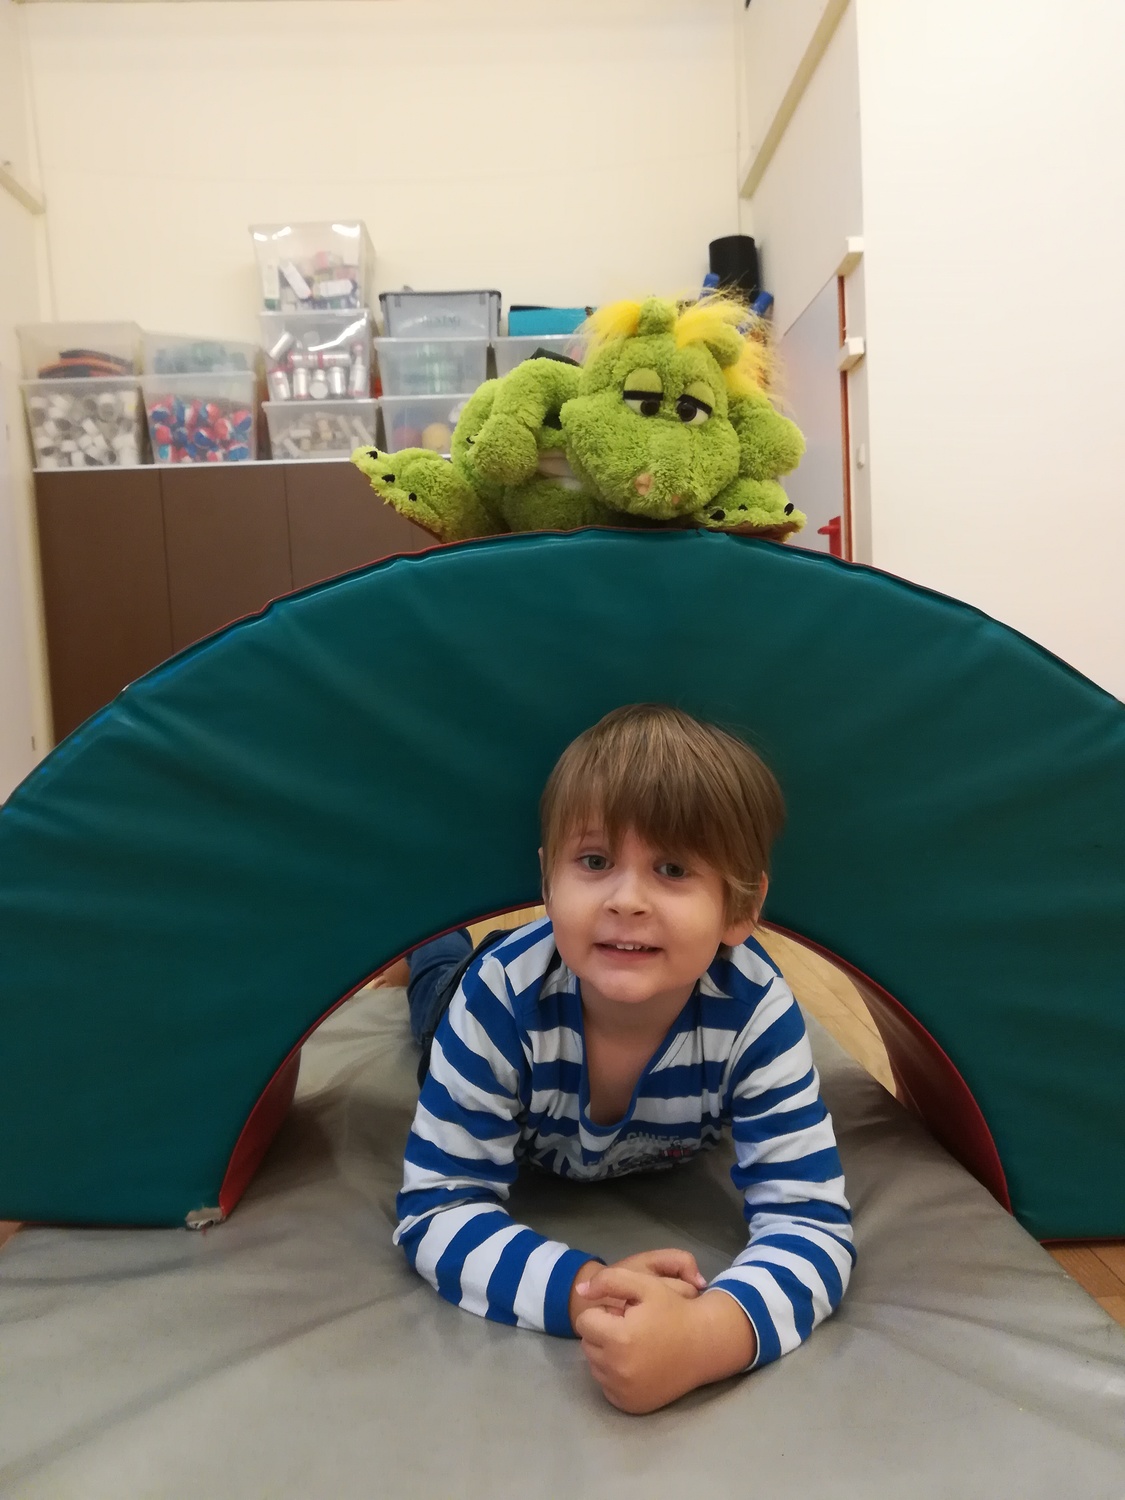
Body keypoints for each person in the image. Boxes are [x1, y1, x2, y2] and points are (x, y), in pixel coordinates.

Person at [393, 703, 854, 1413]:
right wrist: (587, 1292)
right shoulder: (496, 1002)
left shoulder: (756, 1014)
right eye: (595, 862)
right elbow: (436, 1205)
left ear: (739, 907)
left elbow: (811, 1223)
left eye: (671, 868)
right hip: (475, 1006)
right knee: (434, 986)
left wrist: (706, 1334)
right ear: (548, 882)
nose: (626, 900)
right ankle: (433, 946)